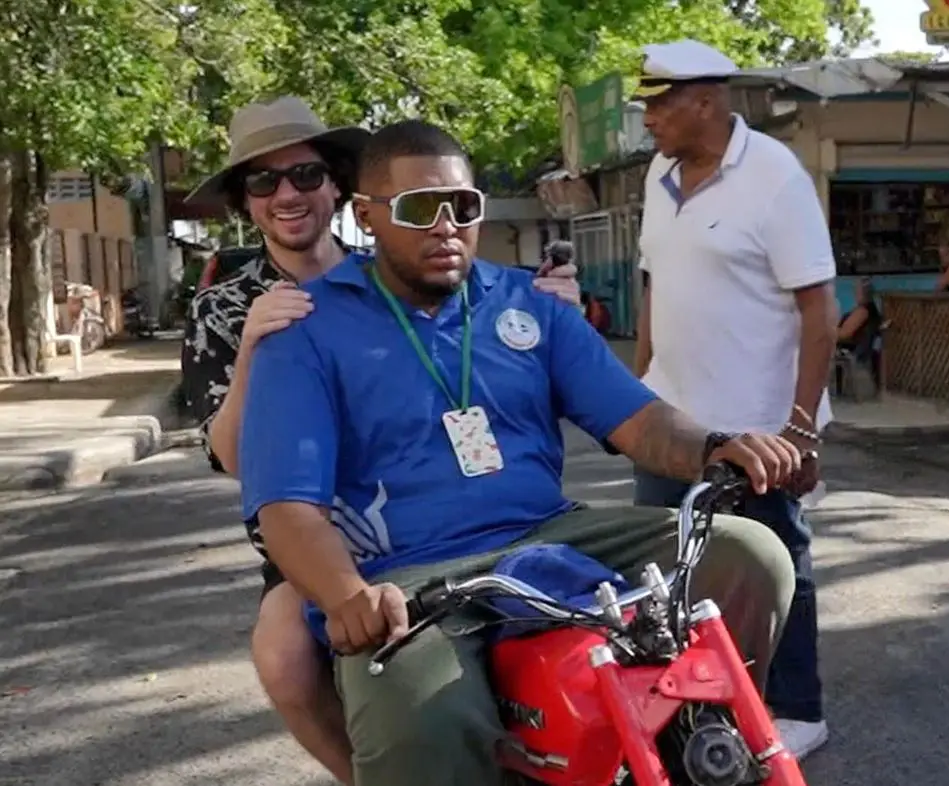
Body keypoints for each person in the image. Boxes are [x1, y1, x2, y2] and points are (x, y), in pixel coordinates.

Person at [238, 118, 801, 786]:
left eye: (464, 207)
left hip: (548, 531)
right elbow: (287, 507)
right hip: (407, 574)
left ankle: (704, 732)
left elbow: (639, 420)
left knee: (750, 554)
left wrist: (716, 449)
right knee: (427, 722)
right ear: (367, 216)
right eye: (420, 209)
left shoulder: (528, 306)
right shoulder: (306, 328)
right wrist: (346, 595)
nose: (446, 226)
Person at [180, 98, 583, 785]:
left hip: (437, 512)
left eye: (306, 175)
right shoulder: (222, 305)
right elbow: (229, 457)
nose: (287, 195)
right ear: (243, 199)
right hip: (314, 545)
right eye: (262, 182)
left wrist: (545, 315)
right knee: (282, 656)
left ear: (341, 187)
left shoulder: (391, 267)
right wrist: (251, 351)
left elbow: (478, 342)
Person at [628, 39, 836, 760]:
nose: (647, 119)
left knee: (776, 564)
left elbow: (819, 309)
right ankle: (697, 701)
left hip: (759, 425)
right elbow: (655, 284)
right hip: (673, 420)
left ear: (708, 103)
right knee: (668, 569)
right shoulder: (659, 175)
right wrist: (639, 385)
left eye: (659, 104)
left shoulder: (776, 177)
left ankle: (797, 707)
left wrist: (801, 431)